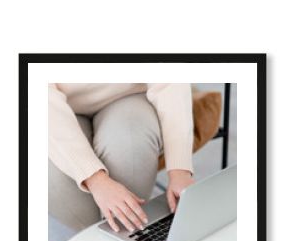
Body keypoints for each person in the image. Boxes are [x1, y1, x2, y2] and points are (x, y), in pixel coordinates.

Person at [48, 83, 195, 233]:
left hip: (127, 94)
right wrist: (95, 179)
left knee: (130, 148)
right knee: (55, 179)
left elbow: (169, 83)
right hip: (54, 107)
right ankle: (99, 237)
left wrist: (179, 169)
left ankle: (125, 238)